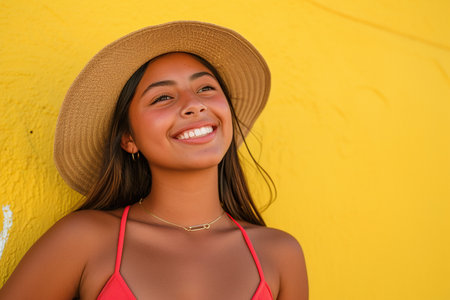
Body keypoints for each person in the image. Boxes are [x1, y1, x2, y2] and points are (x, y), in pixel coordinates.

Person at [0, 21, 308, 299]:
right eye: (163, 97)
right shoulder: (84, 239)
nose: (194, 105)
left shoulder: (280, 254)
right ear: (128, 138)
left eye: (206, 88)